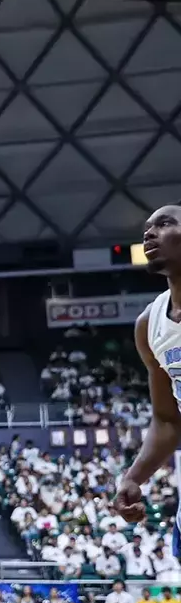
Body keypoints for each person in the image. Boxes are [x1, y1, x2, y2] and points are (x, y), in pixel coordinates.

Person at [114, 205, 181, 579]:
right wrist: (134, 478)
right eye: (147, 228)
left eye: (165, 223)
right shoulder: (149, 323)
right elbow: (168, 419)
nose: (149, 233)